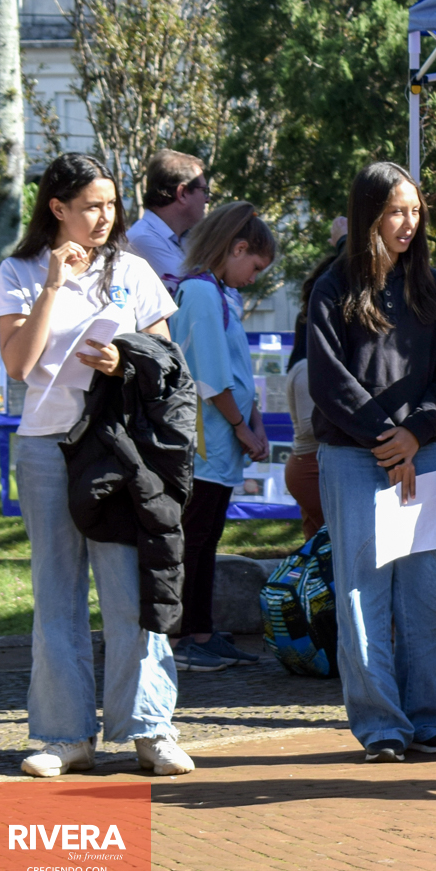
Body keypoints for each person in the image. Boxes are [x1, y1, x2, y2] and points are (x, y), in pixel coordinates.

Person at [0, 152, 193, 777]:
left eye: (110, 205)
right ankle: (64, 736)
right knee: (57, 593)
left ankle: (150, 730)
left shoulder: (132, 269)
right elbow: (18, 366)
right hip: (47, 446)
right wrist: (53, 285)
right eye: (90, 206)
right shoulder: (20, 270)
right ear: (58, 208)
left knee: (130, 589)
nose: (104, 217)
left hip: (118, 445)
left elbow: (166, 360)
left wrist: (124, 360)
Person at [308, 162, 436, 763]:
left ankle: (427, 720)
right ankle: (381, 727)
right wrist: (385, 438)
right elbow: (328, 382)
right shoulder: (332, 288)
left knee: (431, 597)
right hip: (354, 457)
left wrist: (414, 434)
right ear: (369, 215)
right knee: (362, 597)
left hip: (423, 452)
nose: (409, 223)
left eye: (415, 211)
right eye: (396, 211)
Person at [167, 202, 277, 672]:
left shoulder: (220, 292)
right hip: (203, 443)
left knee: (206, 537)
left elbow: (235, 370)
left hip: (221, 441)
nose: (254, 278)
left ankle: (202, 630)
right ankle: (184, 636)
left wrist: (254, 422)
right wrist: (241, 426)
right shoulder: (199, 292)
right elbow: (209, 376)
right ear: (237, 248)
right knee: (194, 539)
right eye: (255, 266)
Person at [283, 218, 346, 539]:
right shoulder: (308, 365)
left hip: (312, 467)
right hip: (311, 468)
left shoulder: (309, 359)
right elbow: (312, 427)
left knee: (317, 553)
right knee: (333, 545)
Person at [126, 149, 210, 291]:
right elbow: (197, 293)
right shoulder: (141, 240)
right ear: (182, 193)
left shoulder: (186, 238)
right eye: (204, 191)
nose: (207, 199)